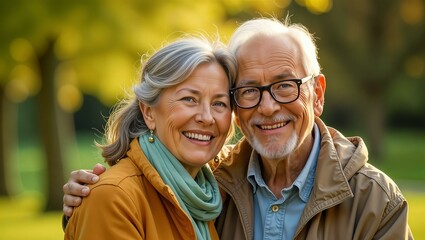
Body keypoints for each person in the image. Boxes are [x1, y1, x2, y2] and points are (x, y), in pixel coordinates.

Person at [63, 18, 413, 239]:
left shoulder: (375, 202)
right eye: (248, 91)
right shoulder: (216, 182)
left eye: (285, 85)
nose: (268, 106)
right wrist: (91, 206)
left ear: (316, 93)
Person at [63, 36, 238, 240]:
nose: (207, 117)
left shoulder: (222, 182)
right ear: (148, 113)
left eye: (219, 103)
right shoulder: (113, 197)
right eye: (189, 99)